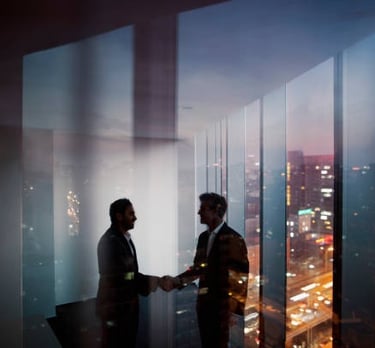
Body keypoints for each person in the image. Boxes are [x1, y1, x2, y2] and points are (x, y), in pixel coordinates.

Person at [161, 192, 249, 348]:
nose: (199, 212)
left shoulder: (234, 239)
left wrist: (232, 312)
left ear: (216, 211)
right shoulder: (203, 238)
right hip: (204, 307)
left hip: (221, 310)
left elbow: (240, 278)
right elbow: (197, 269)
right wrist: (176, 282)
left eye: (203, 209)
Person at [96, 198, 160, 348]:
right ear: (119, 216)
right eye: (131, 214)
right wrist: (156, 281)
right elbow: (123, 276)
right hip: (115, 312)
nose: (135, 218)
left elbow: (129, 274)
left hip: (124, 310)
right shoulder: (111, 242)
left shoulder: (124, 239)